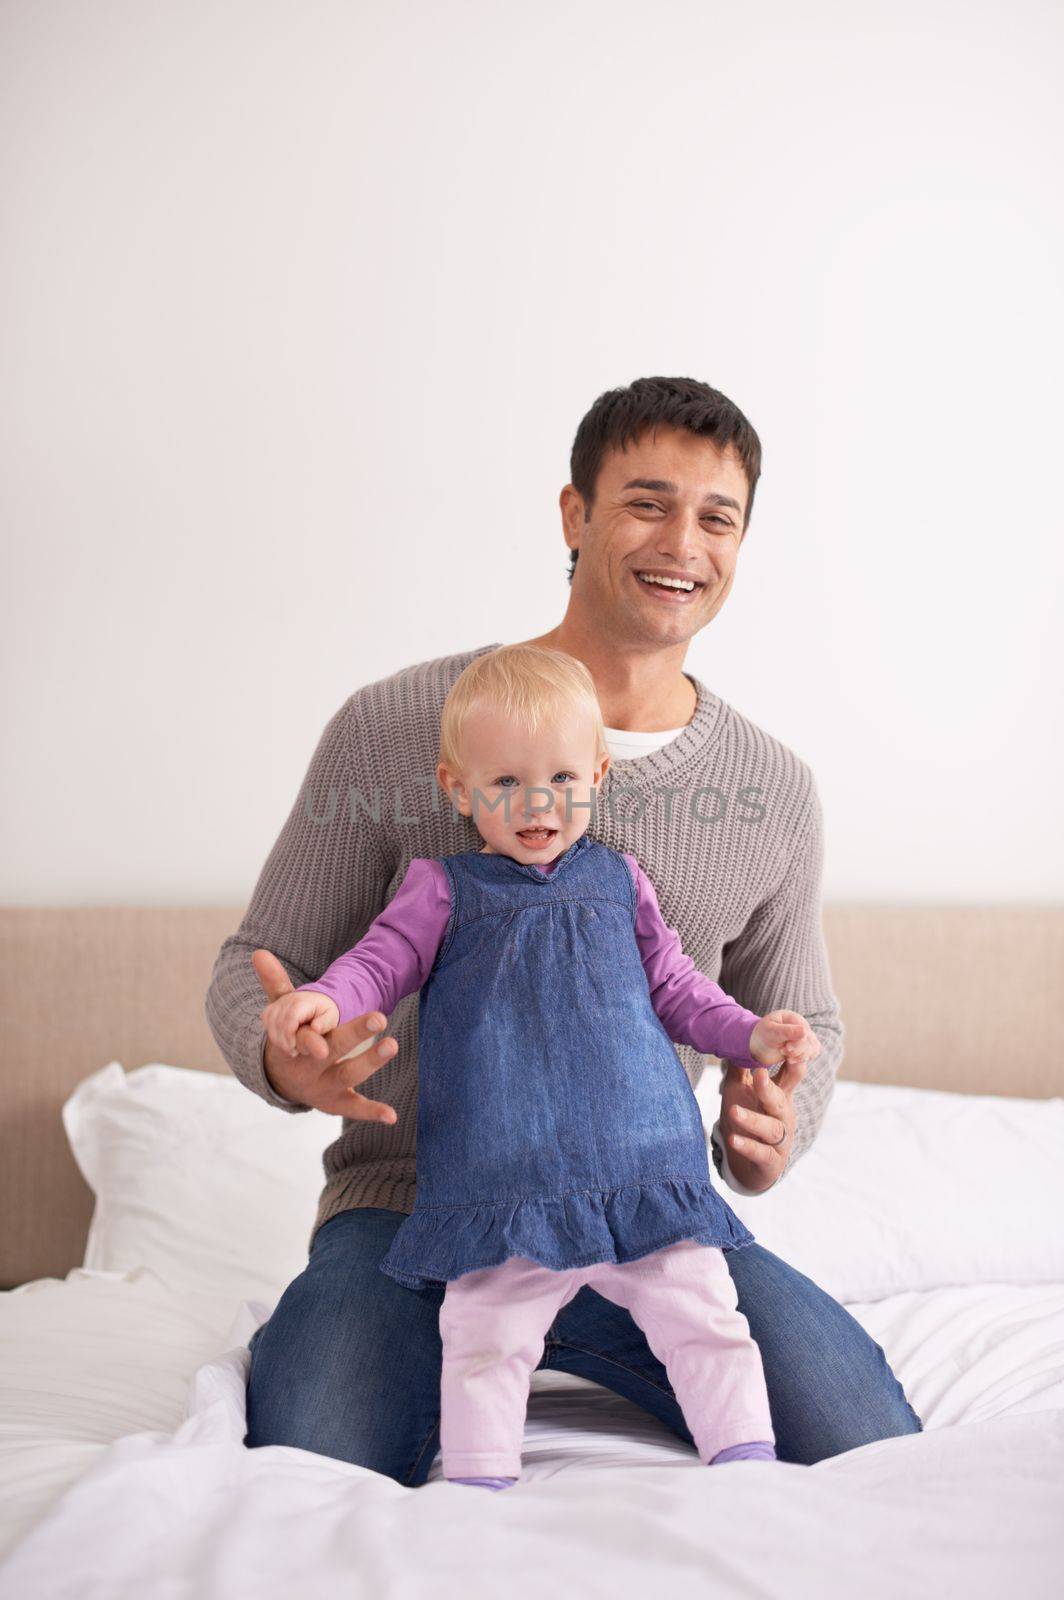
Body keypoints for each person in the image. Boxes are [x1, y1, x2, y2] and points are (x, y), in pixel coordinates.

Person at [205, 374, 923, 1483]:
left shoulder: (770, 789)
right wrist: (281, 1049)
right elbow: (258, 968)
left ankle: (582, 1339)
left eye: (716, 516)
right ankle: (396, 1345)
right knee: (315, 1454)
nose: (681, 541)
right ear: (572, 514)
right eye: (645, 501)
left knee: (865, 1440)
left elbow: (802, 1014)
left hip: (647, 1213)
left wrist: (777, 1117)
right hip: (411, 1210)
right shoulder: (396, 726)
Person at [260, 644, 823, 1488]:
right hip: (500, 1186)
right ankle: (482, 1483)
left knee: (707, 1320)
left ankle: (745, 1463)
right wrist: (325, 1003)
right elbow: (377, 963)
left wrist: (754, 1036)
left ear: (597, 774)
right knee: (484, 1340)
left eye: (563, 779)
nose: (537, 804)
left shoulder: (623, 881)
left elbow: (680, 991)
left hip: (644, 1175)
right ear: (457, 789)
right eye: (505, 784)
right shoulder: (441, 889)